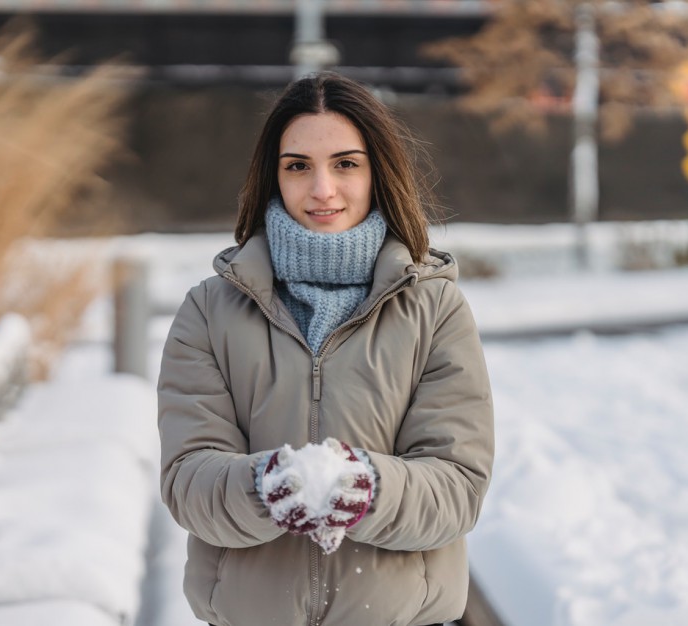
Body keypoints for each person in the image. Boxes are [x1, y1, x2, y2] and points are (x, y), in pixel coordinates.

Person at [157, 71, 494, 626]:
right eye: (298, 166)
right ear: (273, 177)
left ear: (376, 171)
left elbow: (457, 488)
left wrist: (369, 489)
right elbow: (188, 480)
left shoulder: (436, 310)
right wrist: (262, 488)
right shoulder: (209, 311)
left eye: (345, 163)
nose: (322, 190)